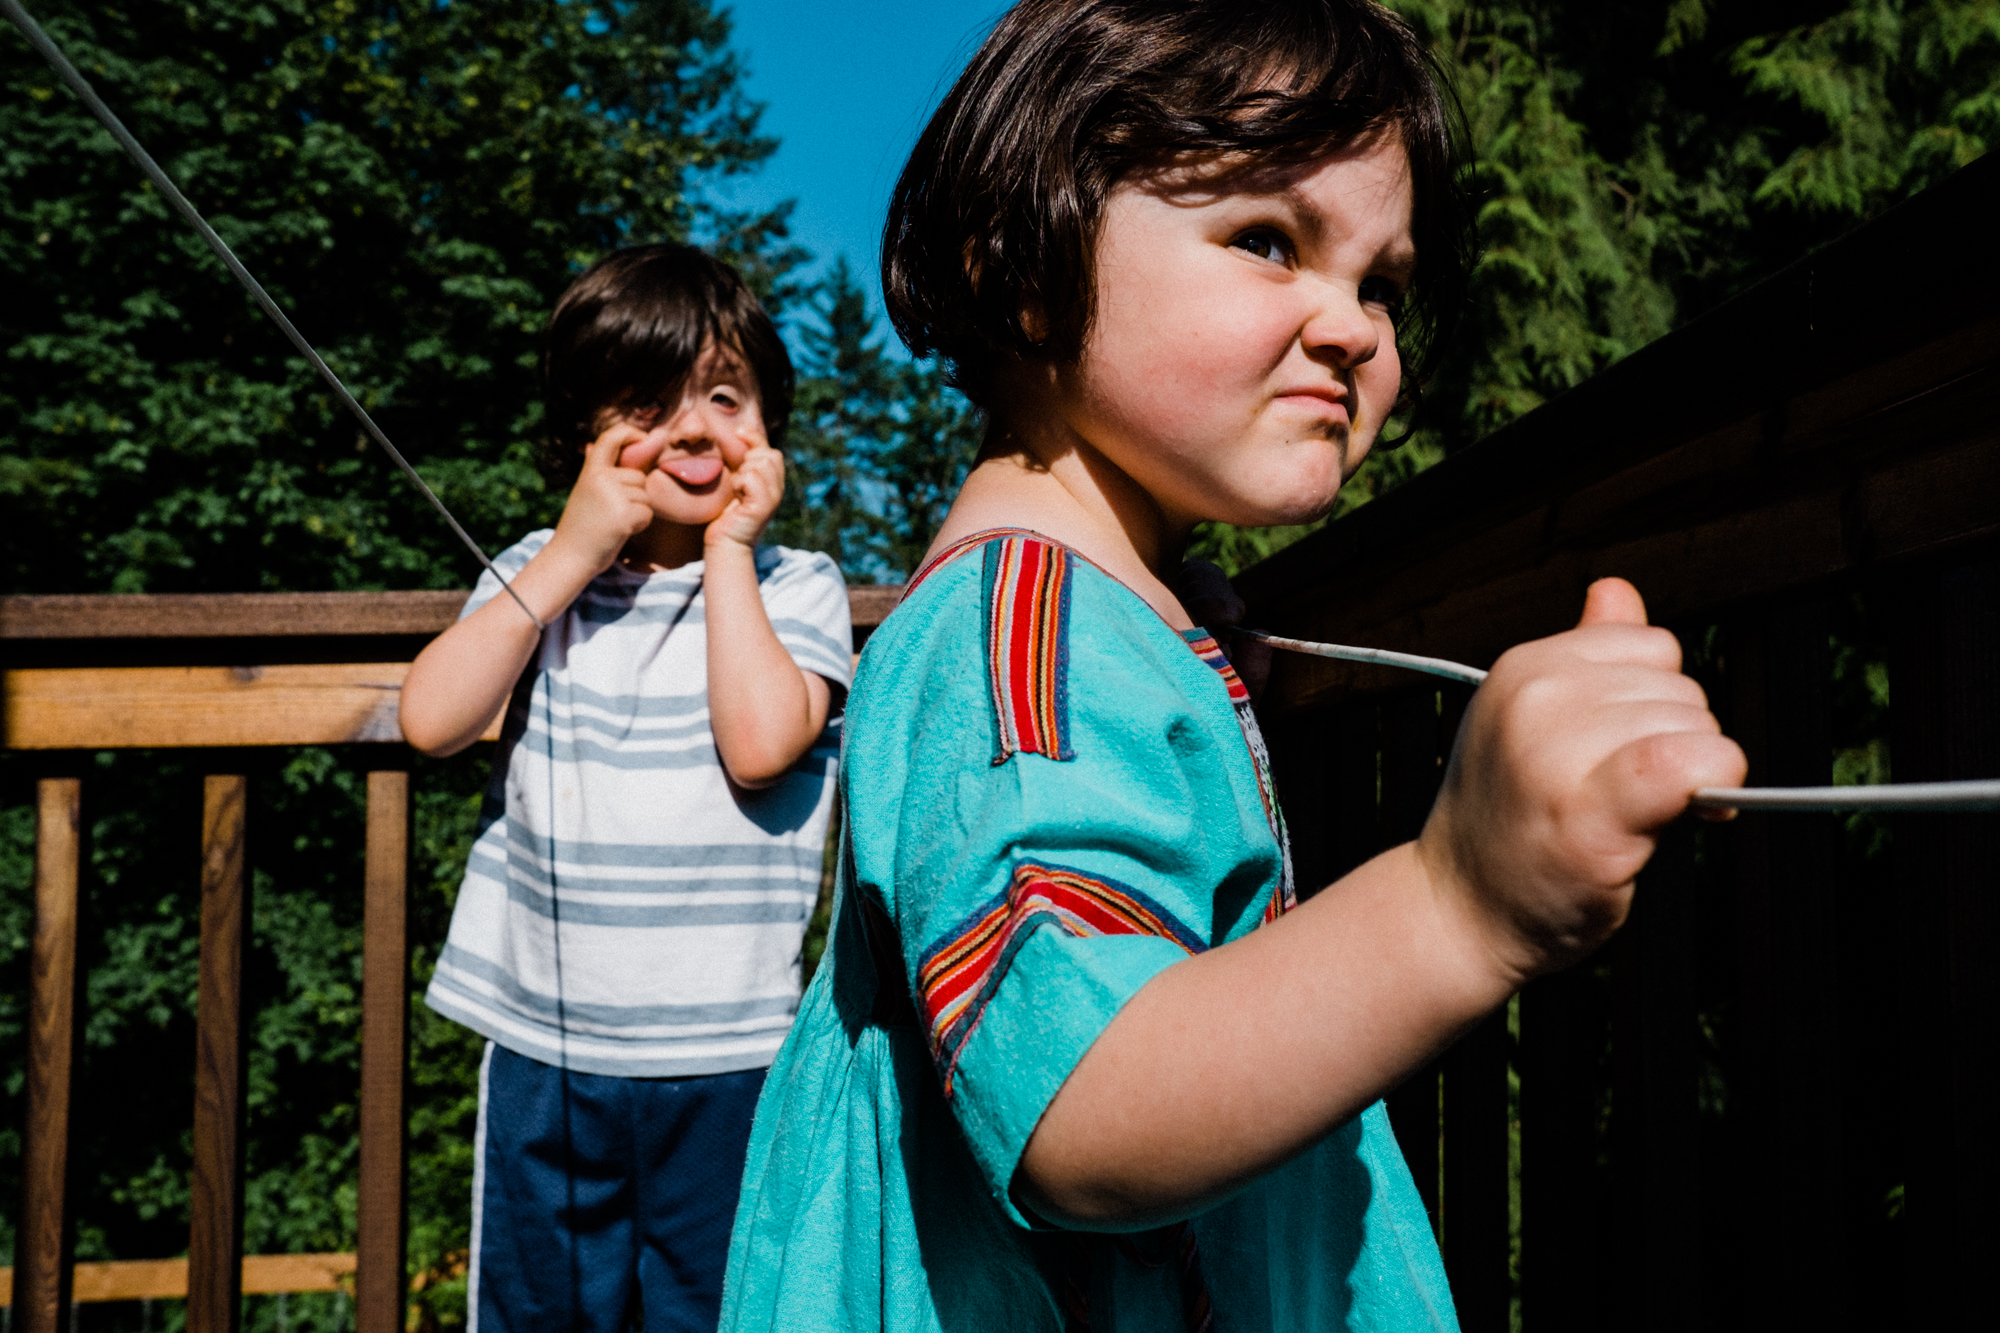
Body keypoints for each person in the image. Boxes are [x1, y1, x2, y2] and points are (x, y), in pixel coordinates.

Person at [718, 2, 1746, 1331]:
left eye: (1381, 282)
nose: (1357, 329)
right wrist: (1458, 901)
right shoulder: (1017, 636)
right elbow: (1081, 1100)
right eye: (1270, 240)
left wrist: (1187, 639)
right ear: (1025, 267)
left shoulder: (1099, 614)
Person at [401, 243, 852, 1333]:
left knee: (724, 1310)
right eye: (649, 403)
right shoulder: (539, 568)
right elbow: (433, 720)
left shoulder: (796, 586)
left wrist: (732, 548)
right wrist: (571, 548)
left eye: (723, 396)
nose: (693, 428)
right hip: (548, 1050)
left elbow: (758, 744)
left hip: (731, 1052)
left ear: (766, 424)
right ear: (587, 433)